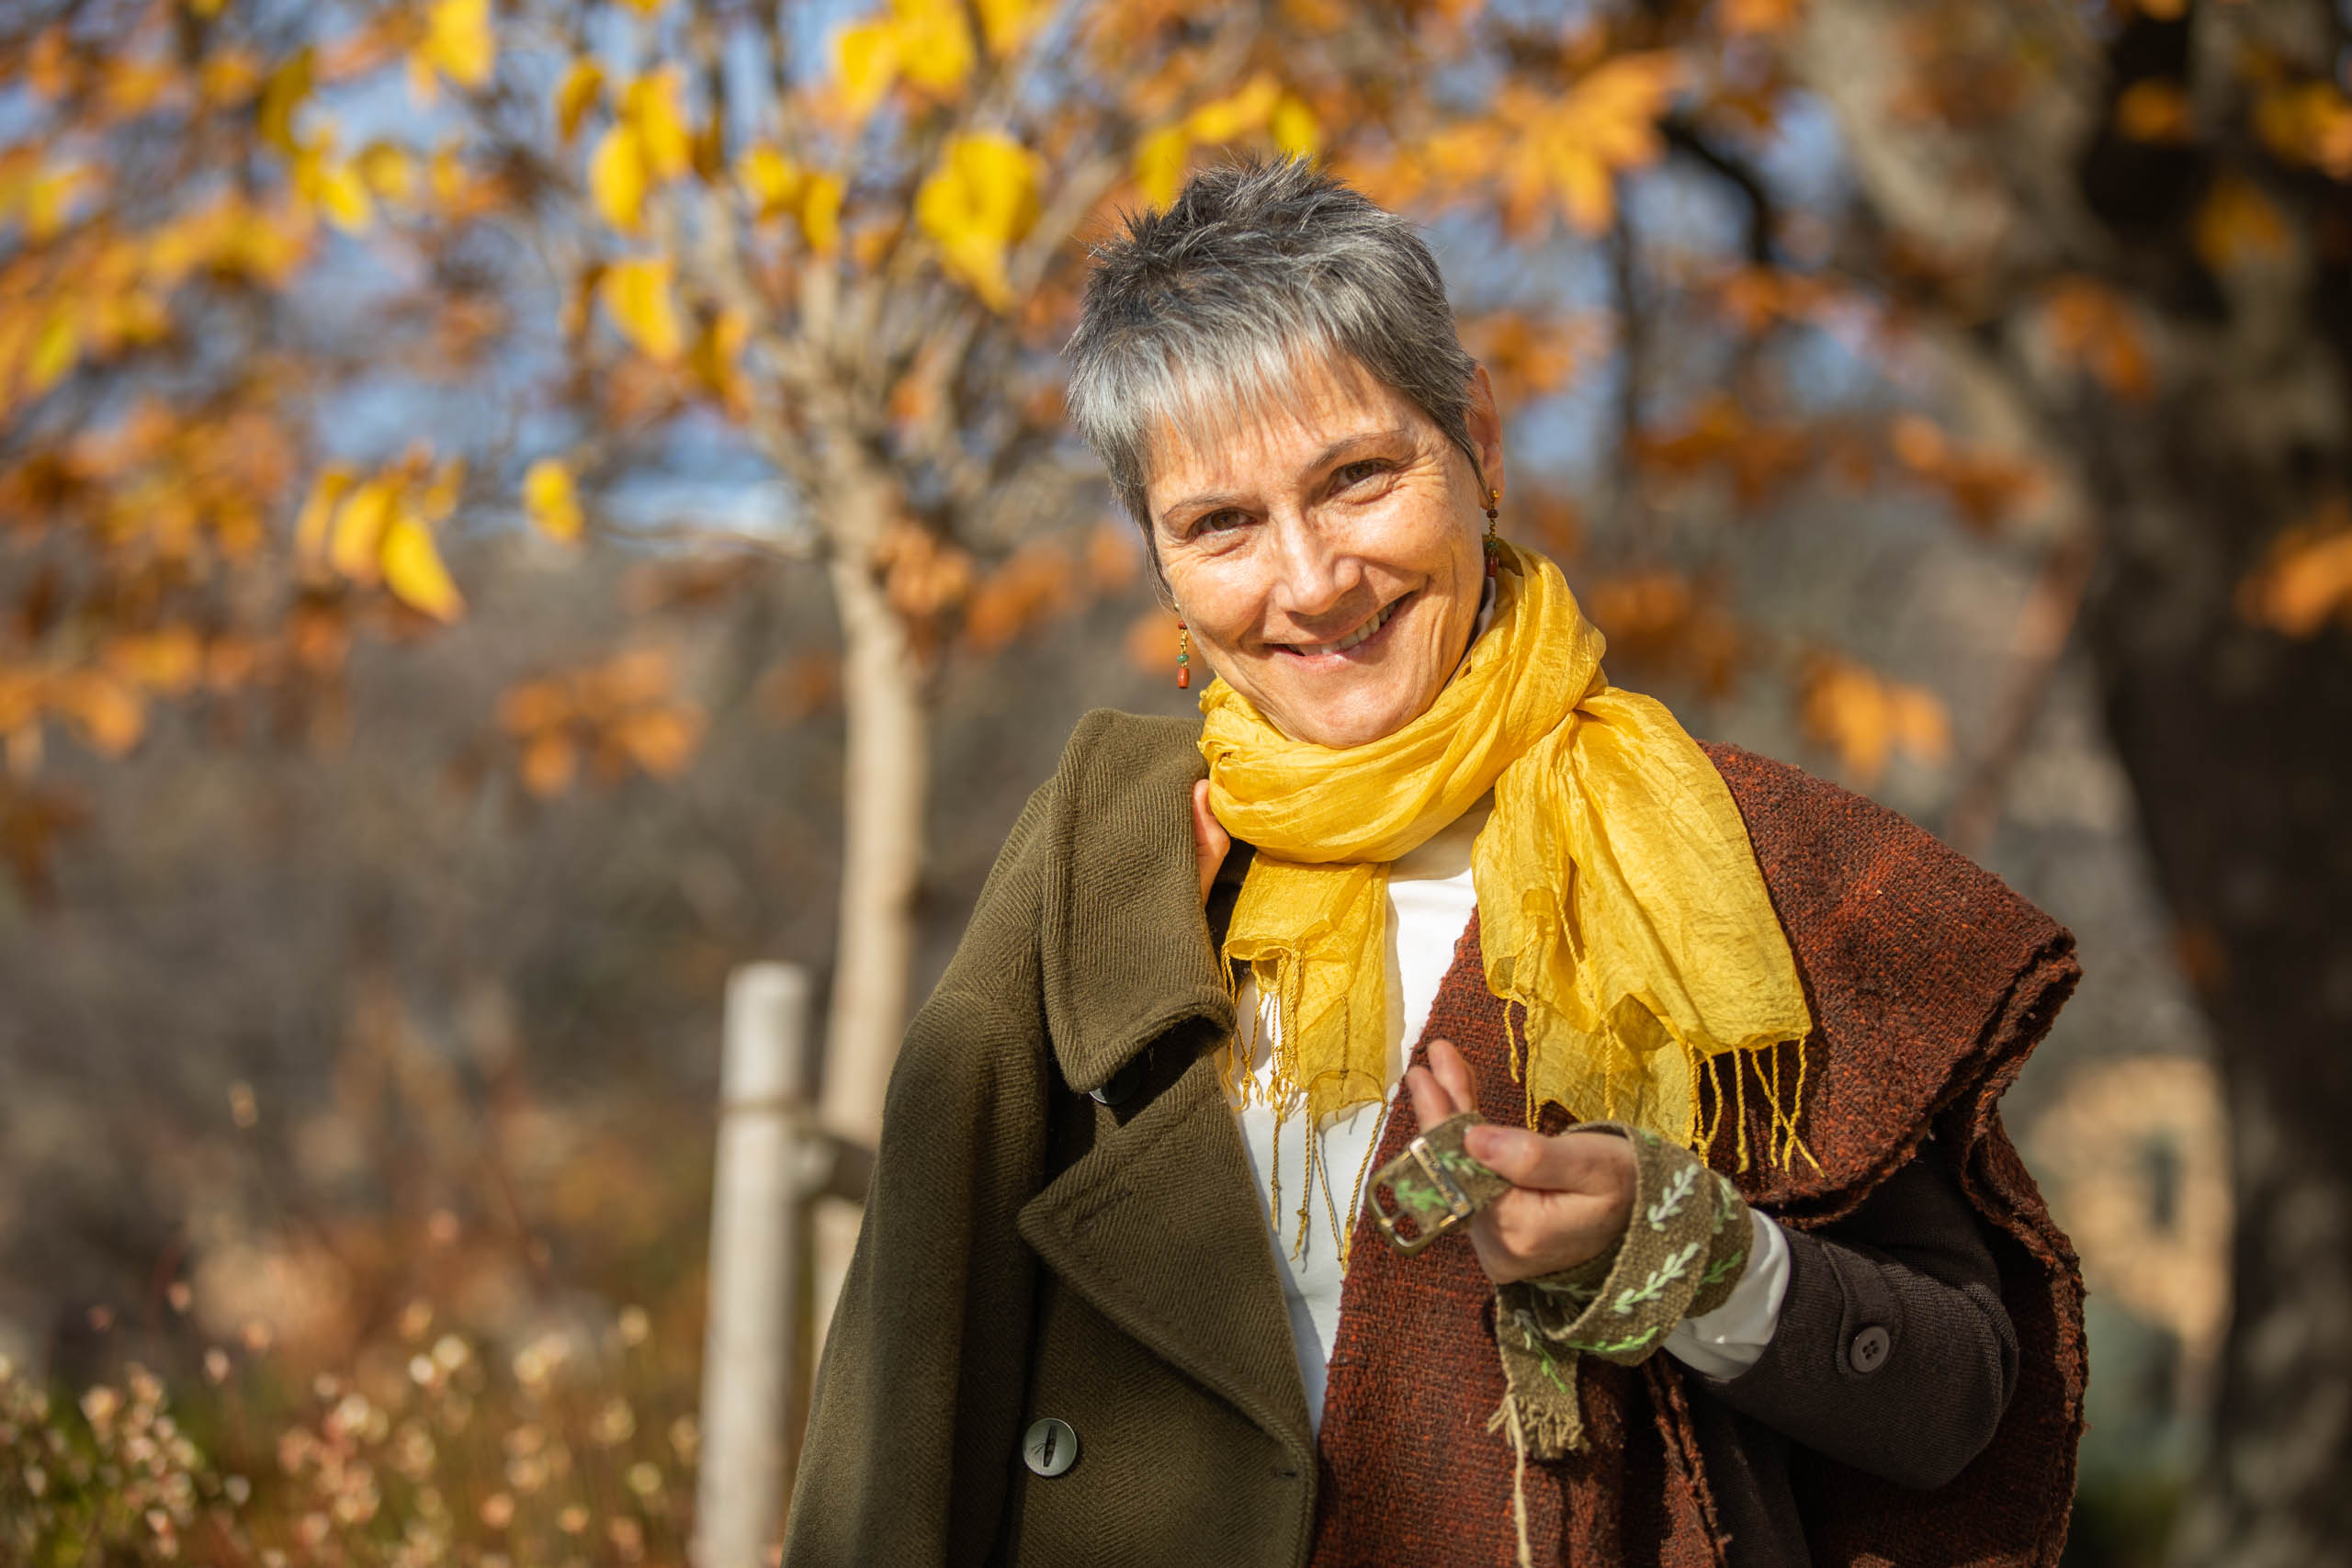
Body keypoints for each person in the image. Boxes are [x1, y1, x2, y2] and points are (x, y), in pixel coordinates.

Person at [782, 156, 2085, 1568]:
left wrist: (1678, 1253)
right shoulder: (1106, 859)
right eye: (1221, 524)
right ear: (1160, 564)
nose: (1311, 581)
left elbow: (1956, 1397)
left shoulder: (1735, 861)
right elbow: (907, 1386)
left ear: (1481, 445)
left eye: (1356, 479)